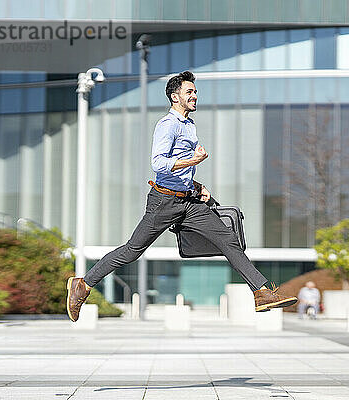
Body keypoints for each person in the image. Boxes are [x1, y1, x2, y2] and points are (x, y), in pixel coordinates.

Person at [66, 71, 297, 322]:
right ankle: (83, 284)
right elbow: (158, 163)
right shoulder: (168, 124)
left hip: (188, 202)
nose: (195, 95)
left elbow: (181, 168)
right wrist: (193, 160)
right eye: (190, 92)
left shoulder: (189, 125)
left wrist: (196, 186)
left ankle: (261, 293)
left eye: (195, 91)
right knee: (133, 250)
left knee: (228, 239)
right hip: (163, 202)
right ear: (175, 97)